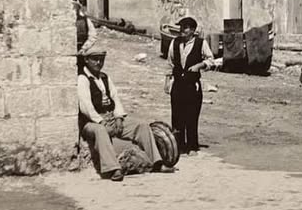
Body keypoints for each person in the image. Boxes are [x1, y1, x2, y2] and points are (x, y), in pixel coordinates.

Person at [78, 51, 170, 182]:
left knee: (141, 125)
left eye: (101, 59)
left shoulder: (104, 77)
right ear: (87, 60)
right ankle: (113, 169)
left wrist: (119, 118)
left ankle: (156, 162)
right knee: (101, 131)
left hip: (110, 117)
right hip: (91, 122)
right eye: (95, 59)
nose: (99, 63)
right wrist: (101, 122)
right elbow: (86, 106)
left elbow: (115, 98)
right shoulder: (82, 79)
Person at [165, 16, 214, 155]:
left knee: (191, 116)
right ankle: (179, 146)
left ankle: (192, 146)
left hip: (192, 85)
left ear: (192, 30)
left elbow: (211, 60)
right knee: (177, 115)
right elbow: (170, 63)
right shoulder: (175, 43)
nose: (182, 30)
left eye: (185, 28)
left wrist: (199, 65)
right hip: (178, 85)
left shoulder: (201, 43)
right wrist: (167, 82)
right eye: (181, 27)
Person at [75, 1, 97, 73]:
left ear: (78, 9)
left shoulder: (85, 20)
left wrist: (84, 48)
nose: (74, 10)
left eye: (75, 8)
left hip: (82, 51)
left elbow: (93, 36)